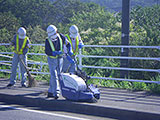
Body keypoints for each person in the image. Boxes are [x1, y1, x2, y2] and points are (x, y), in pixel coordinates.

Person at [45, 25, 73, 99]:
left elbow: (68, 44)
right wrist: (53, 53)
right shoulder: (47, 40)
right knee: (54, 75)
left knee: (57, 75)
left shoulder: (61, 36)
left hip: (60, 59)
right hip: (51, 59)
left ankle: (51, 91)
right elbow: (47, 51)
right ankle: (56, 92)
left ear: (56, 32)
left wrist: (70, 50)